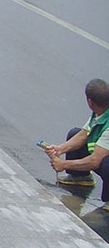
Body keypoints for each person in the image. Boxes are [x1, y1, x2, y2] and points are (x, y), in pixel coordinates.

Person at [45, 78, 109, 210]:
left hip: (101, 159)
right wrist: (60, 149)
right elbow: (84, 134)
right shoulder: (102, 111)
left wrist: (64, 164)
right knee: (75, 133)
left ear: (90, 102)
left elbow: (94, 161)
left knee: (106, 163)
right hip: (100, 151)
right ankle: (80, 177)